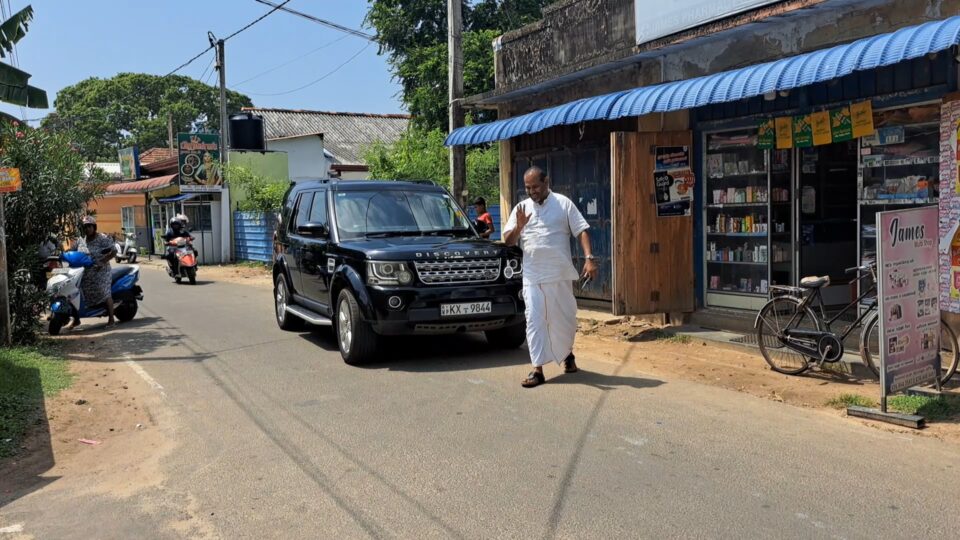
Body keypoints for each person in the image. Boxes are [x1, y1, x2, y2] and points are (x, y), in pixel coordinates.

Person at [503, 166, 598, 388]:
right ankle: (537, 370)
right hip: (533, 275)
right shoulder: (521, 208)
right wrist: (519, 227)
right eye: (528, 188)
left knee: (563, 319)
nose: (531, 191)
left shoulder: (563, 203)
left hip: (559, 274)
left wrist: (589, 258)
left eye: (535, 186)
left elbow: (581, 230)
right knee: (534, 319)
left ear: (547, 182)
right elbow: (508, 241)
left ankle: (567, 355)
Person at [71, 216, 116, 328]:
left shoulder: (102, 238)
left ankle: (111, 320)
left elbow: (114, 251)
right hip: (84, 273)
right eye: (85, 227)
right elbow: (72, 251)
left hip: (101, 271)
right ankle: (76, 319)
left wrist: (103, 261)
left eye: (89, 226)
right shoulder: (81, 240)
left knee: (103, 291)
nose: (87, 229)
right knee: (76, 292)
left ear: (94, 227)